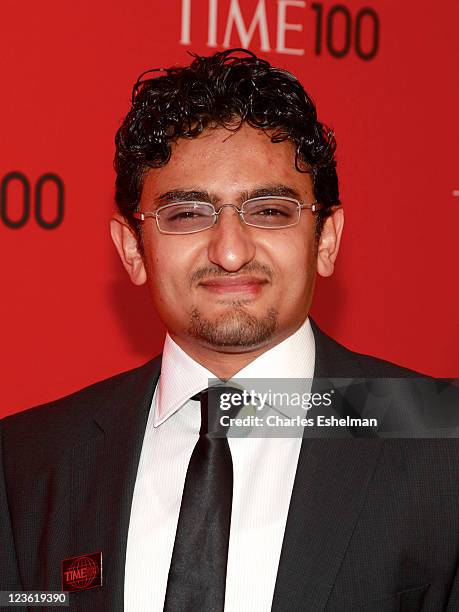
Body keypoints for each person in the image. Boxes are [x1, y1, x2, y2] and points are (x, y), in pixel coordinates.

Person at [1, 48, 459, 612]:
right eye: (187, 214)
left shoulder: (443, 438)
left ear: (328, 239)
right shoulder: (27, 459)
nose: (231, 251)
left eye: (269, 210)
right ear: (132, 250)